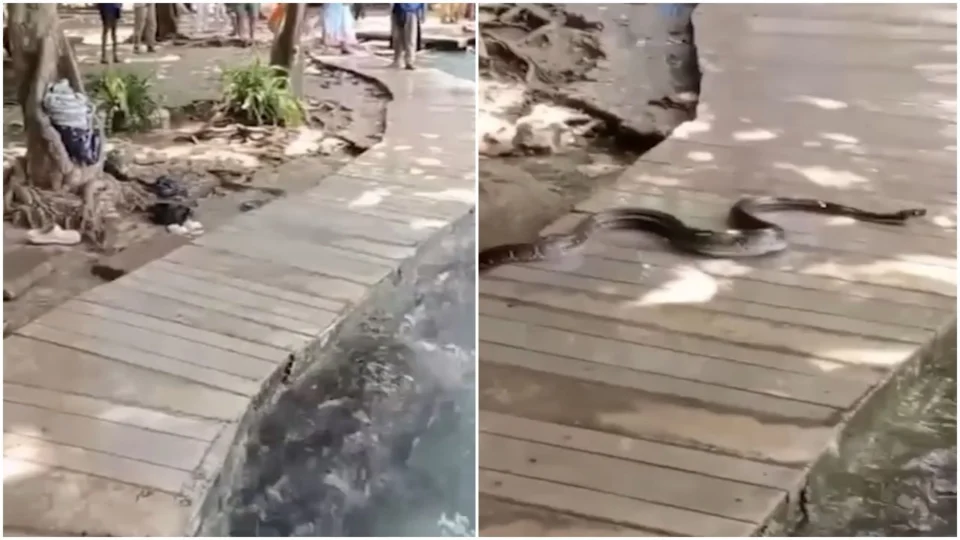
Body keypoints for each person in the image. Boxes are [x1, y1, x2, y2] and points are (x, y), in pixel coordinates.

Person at [391, 3, 425, 70]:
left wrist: (422, 12)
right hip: (401, 10)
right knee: (399, 37)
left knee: (408, 37)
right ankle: (400, 60)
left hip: (410, 10)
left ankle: (408, 61)